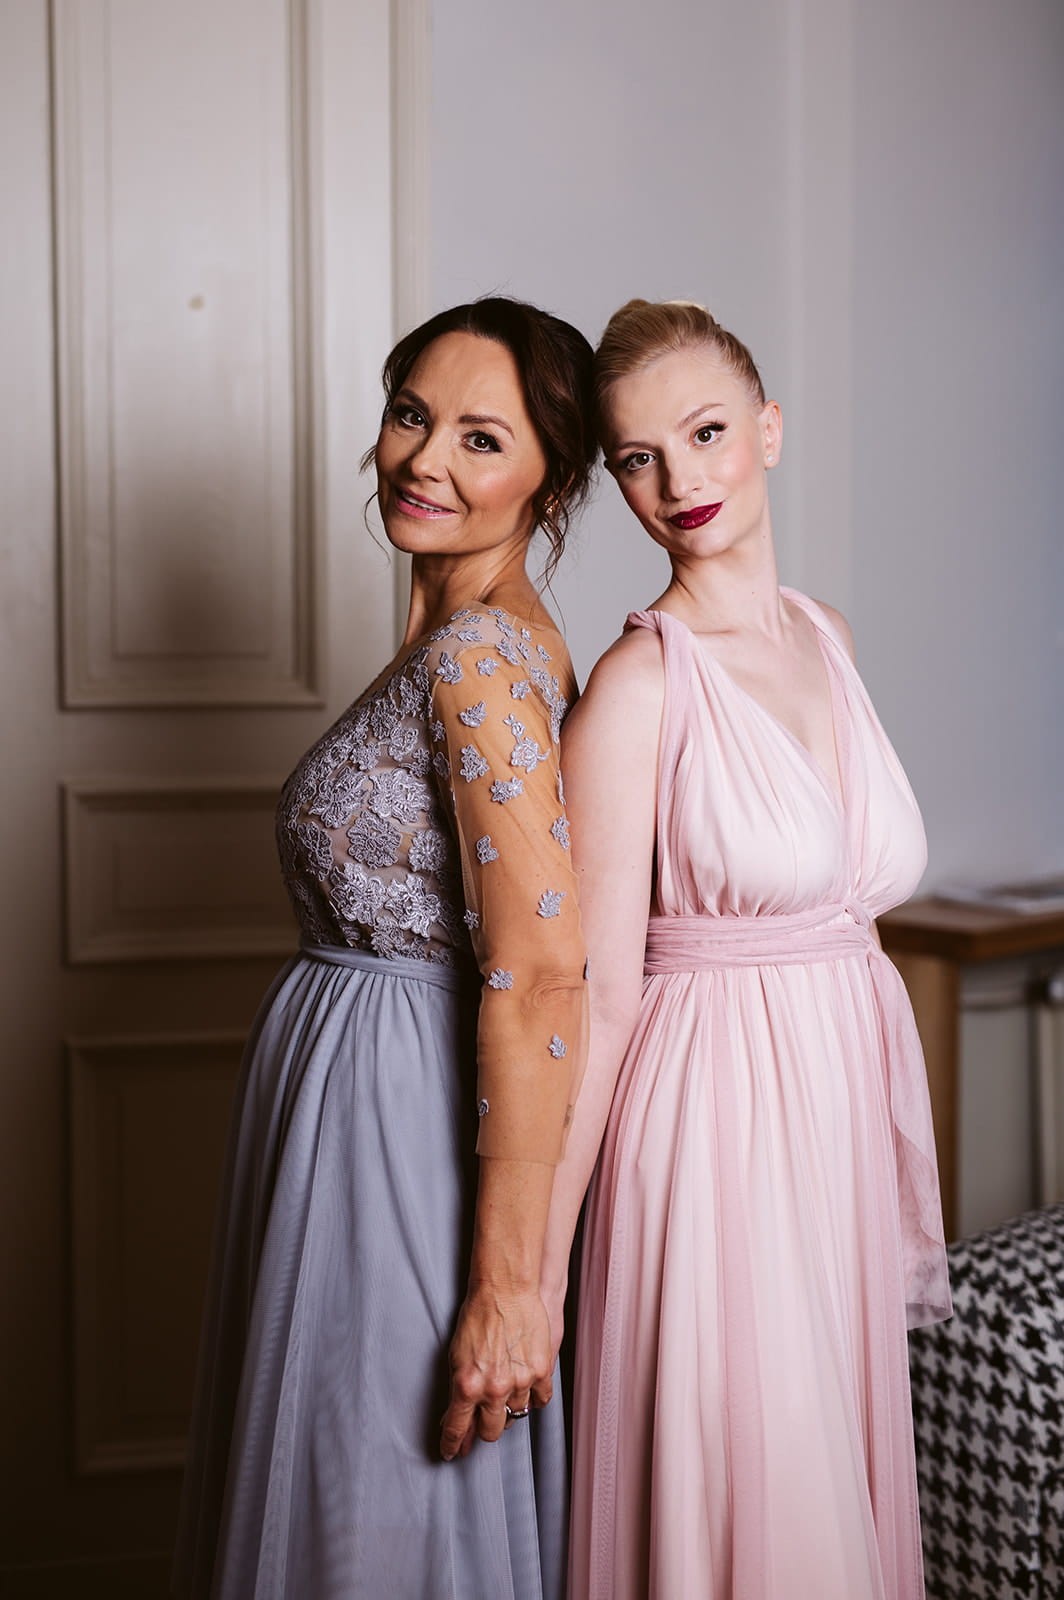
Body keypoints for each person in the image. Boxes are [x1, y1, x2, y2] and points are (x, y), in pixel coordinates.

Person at [173, 296, 597, 1600]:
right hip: (346, 1114)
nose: (425, 459)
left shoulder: (481, 659)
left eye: (482, 438)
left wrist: (510, 1284)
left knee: (375, 1506)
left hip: (399, 1132)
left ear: (550, 480)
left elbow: (541, 975)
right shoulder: (443, 642)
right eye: (414, 414)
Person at [539, 299, 951, 1599]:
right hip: (710, 1134)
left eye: (707, 433)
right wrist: (535, 1273)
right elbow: (598, 1001)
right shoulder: (638, 687)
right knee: (758, 1514)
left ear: (768, 429)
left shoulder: (828, 634)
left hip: (832, 1124)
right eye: (639, 459)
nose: (680, 481)